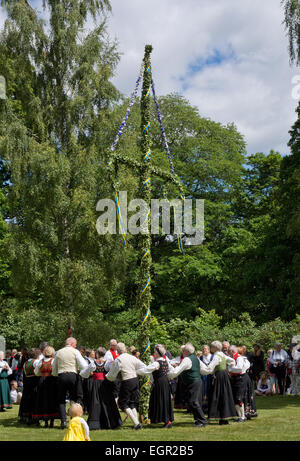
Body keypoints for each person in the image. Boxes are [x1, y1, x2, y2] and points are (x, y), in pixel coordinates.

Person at [106, 342, 147, 430]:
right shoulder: (132, 357)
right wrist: (135, 372)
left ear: (117, 350)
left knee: (122, 403)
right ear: (125, 349)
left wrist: (108, 377)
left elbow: (113, 373)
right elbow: (143, 366)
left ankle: (136, 423)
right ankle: (137, 423)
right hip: (135, 380)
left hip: (127, 381)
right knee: (132, 403)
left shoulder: (118, 359)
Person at [167, 343, 208, 428]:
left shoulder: (187, 359)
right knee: (191, 402)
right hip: (195, 382)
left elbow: (176, 371)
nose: (182, 351)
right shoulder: (196, 358)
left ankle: (203, 421)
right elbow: (204, 370)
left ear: (187, 351)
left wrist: (168, 375)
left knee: (194, 402)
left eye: (183, 350)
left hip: (194, 382)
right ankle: (198, 420)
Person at [52, 337, 89, 429]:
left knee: (61, 399)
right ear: (72, 344)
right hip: (73, 375)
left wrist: (57, 374)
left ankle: (63, 421)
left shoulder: (58, 352)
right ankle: (73, 419)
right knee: (74, 397)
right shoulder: (75, 351)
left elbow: (54, 367)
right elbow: (84, 365)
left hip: (61, 376)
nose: (76, 346)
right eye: (75, 344)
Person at [81, 347, 122, 430]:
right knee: (107, 402)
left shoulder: (93, 363)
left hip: (96, 385)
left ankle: (95, 423)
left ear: (97, 354)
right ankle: (111, 422)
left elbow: (84, 374)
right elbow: (113, 371)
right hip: (106, 384)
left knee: (96, 402)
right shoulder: (108, 363)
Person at [202, 341, 237, 425]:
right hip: (224, 376)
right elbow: (232, 361)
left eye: (212, 347)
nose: (211, 349)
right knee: (225, 395)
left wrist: (203, 371)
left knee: (217, 395)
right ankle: (224, 418)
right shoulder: (222, 354)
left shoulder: (216, 356)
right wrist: (229, 369)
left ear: (215, 348)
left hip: (219, 377)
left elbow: (210, 368)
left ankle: (220, 417)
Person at [140, 344, 174, 428]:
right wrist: (167, 377)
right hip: (165, 382)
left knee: (160, 400)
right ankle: (167, 420)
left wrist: (135, 371)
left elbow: (146, 370)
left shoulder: (156, 363)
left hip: (159, 383)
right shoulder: (166, 361)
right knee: (164, 400)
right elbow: (172, 370)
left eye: (155, 351)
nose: (154, 353)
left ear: (158, 353)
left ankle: (166, 421)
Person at [33, 346, 60, 428]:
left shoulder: (40, 362)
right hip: (51, 382)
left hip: (42, 381)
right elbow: (55, 372)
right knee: (52, 400)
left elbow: (36, 372)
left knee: (43, 400)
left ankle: (45, 422)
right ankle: (51, 421)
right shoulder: (53, 361)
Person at [18, 348, 40, 424]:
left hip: (27, 384)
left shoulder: (25, 363)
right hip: (34, 383)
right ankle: (34, 417)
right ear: (36, 355)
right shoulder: (36, 362)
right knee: (34, 400)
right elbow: (38, 372)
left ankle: (27, 417)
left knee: (28, 400)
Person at [228, 345, 249, 422]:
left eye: (229, 351)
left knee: (238, 397)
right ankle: (239, 416)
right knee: (235, 398)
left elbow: (239, 368)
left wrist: (230, 369)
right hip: (234, 379)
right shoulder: (232, 358)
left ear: (232, 351)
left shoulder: (239, 358)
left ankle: (243, 416)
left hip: (240, 378)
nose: (228, 352)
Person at [199, 345, 213, 414]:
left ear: (209, 350)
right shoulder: (201, 357)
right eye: (203, 349)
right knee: (203, 391)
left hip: (210, 376)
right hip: (203, 376)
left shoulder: (212, 357)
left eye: (205, 349)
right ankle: (204, 407)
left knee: (210, 390)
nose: (204, 350)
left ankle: (210, 406)